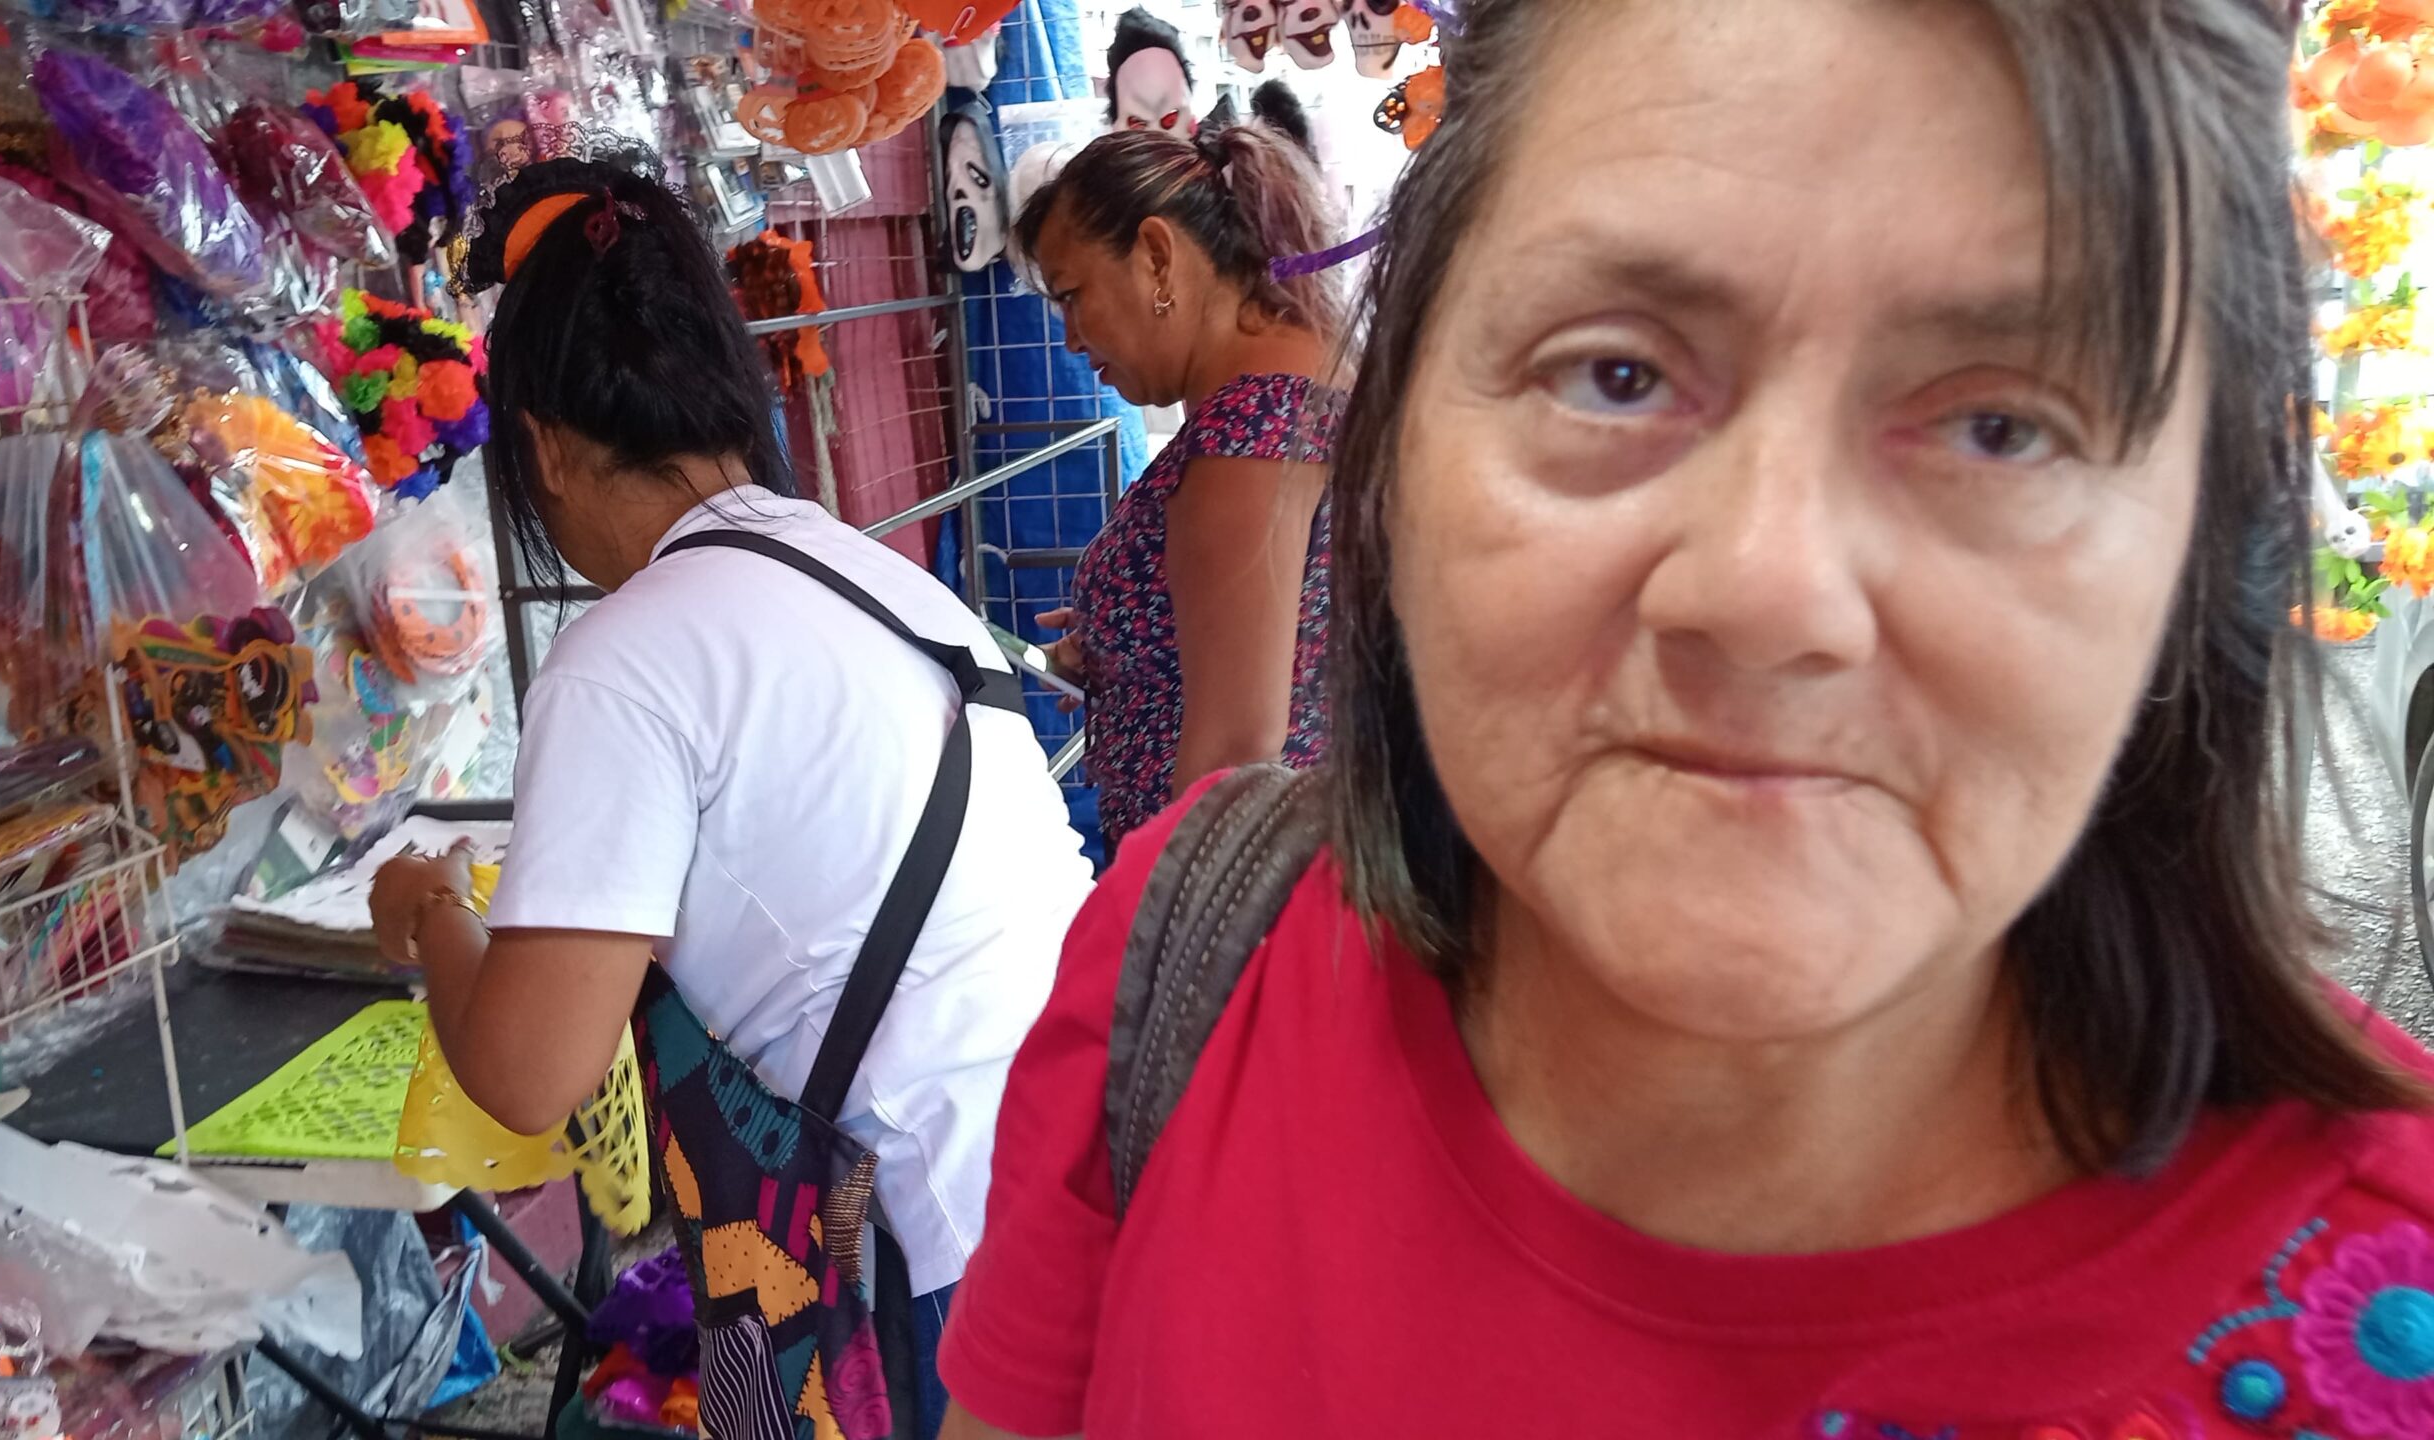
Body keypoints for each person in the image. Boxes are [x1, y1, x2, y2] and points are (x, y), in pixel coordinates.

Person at [936, 1, 2434, 1435]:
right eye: (1615, 375)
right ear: (1401, 449)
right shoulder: (1185, 978)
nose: (1767, 594)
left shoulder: (2384, 1308)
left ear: (2203, 543)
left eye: (2001, 426)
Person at [367, 153, 1093, 1439]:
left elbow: (530, 1072)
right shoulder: (878, 581)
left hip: (933, 1255)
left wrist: (429, 915)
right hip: (1081, 1174)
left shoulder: (627, 658)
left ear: (541, 449)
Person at [1019, 124, 1346, 851]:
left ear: (1157, 258)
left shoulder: (1251, 427)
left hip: (1238, 882)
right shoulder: (1296, 384)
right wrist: (1125, 638)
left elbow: (1235, 744)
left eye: (1072, 295)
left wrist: (1161, 909)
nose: (1071, 337)